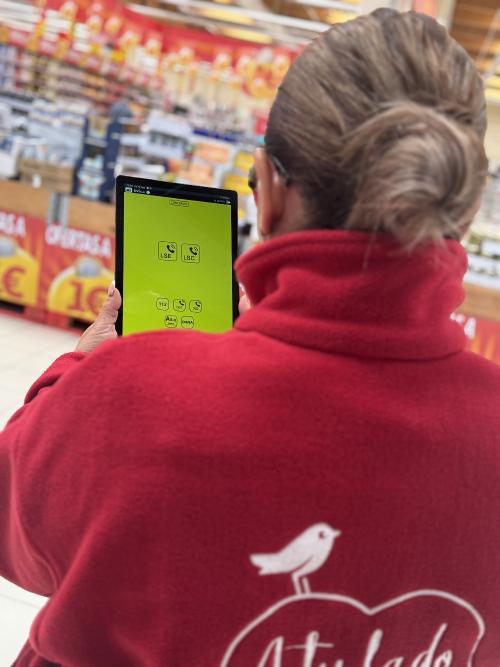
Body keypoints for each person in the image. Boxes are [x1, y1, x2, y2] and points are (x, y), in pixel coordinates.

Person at [1, 8, 499, 666]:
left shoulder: (128, 395)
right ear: (462, 212)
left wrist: (76, 372)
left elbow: (13, 529)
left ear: (267, 191)